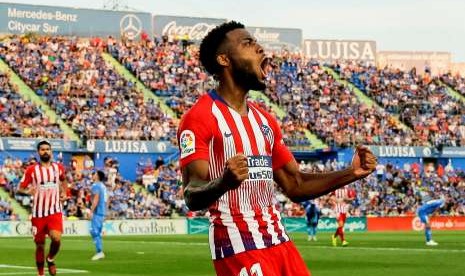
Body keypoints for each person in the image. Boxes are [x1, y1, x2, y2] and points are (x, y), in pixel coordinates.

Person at [177, 21, 378, 276]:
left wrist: (351, 173)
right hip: (238, 245)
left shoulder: (266, 121)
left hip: (279, 242)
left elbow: (296, 185)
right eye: (248, 43)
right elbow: (191, 194)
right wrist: (224, 182)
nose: (259, 48)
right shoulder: (200, 117)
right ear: (224, 60)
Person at [18, 140, 67, 276]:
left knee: (56, 238)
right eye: (42, 149)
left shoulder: (58, 168)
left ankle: (50, 258)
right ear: (38, 152)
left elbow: (63, 180)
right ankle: (41, 273)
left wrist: (64, 192)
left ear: (51, 151)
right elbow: (20, 188)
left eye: (48, 149)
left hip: (54, 211)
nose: (45, 151)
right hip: (38, 214)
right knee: (40, 245)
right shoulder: (32, 170)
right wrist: (28, 191)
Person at [89, 170, 107, 260]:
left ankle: (99, 252)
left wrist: (91, 211)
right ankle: (99, 250)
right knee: (97, 232)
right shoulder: (103, 186)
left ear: (98, 176)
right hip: (102, 211)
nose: (93, 175)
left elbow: (96, 198)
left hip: (97, 212)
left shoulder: (96, 185)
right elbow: (106, 200)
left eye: (95, 174)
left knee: (94, 231)